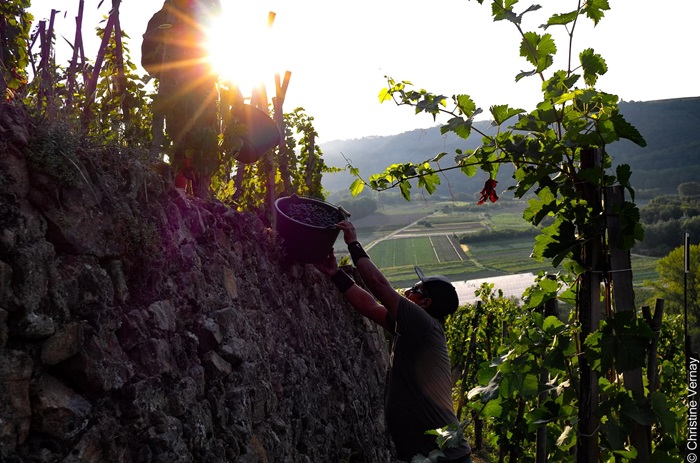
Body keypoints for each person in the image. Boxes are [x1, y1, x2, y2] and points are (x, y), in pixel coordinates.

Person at [314, 220, 472, 463]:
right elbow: (371, 307)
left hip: (444, 457)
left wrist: (353, 244)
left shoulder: (423, 324)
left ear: (425, 303)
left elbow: (378, 286)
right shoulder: (414, 329)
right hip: (433, 455)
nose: (406, 292)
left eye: (413, 289)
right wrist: (335, 274)